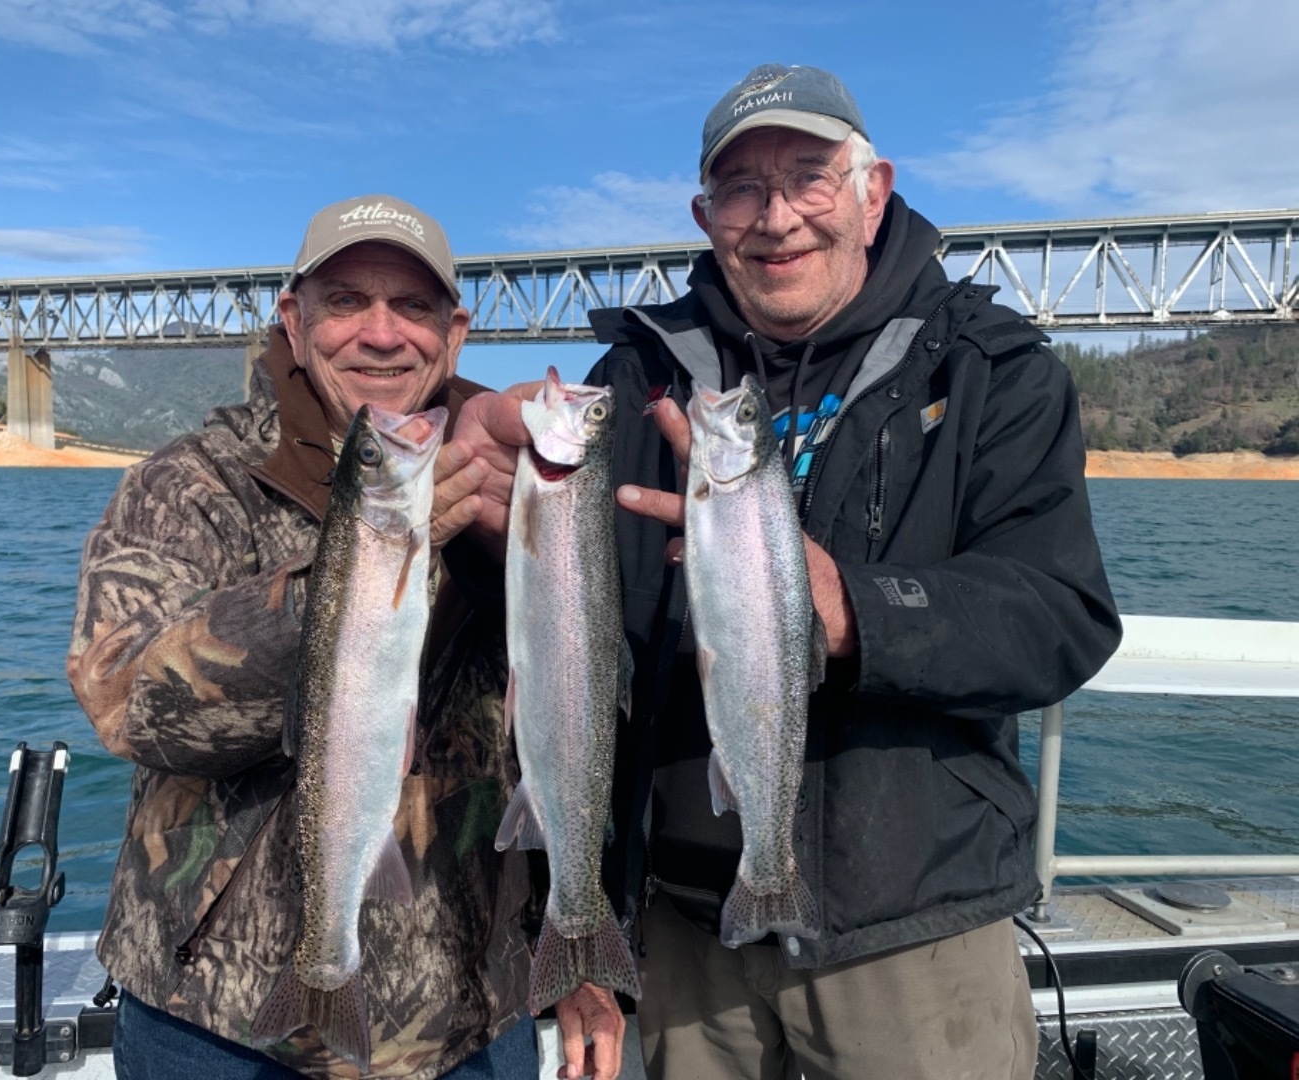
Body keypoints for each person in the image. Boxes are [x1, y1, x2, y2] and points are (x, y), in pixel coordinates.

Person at [454, 64, 1122, 1079]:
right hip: (684, 936)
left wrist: (854, 611)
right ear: (704, 213)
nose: (776, 218)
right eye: (741, 189)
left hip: (918, 938)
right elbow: (577, 677)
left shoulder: (990, 371)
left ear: (873, 189)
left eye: (808, 176)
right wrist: (585, 922)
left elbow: (1060, 616)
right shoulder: (634, 384)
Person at [69, 194, 623, 1080]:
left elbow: (580, 715)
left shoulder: (524, 487)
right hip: (216, 1026)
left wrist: (577, 948)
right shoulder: (190, 480)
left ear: (456, 332)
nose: (380, 333)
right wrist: (350, 574)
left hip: (473, 1019)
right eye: (345, 302)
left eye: (412, 307)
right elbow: (127, 701)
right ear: (293, 319)